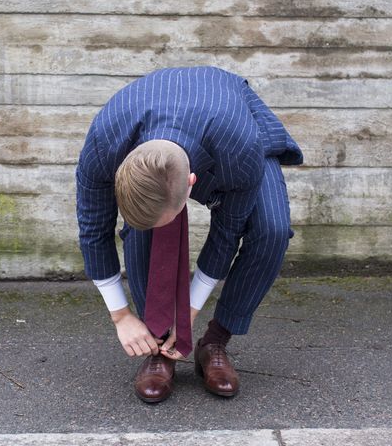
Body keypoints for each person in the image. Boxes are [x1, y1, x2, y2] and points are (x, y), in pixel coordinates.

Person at [75, 66, 303, 403]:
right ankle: (159, 343)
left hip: (230, 123)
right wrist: (121, 315)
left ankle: (214, 342)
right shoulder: (104, 144)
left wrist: (190, 312)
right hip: (156, 119)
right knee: (143, 232)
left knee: (271, 229)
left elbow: (228, 232)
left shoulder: (240, 149)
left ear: (191, 186)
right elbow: (93, 229)